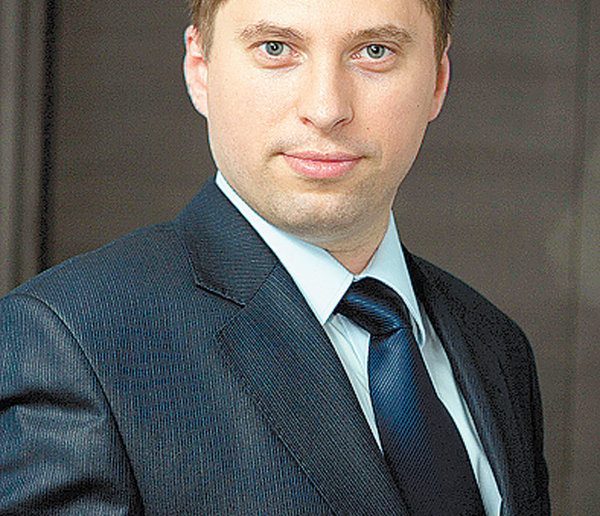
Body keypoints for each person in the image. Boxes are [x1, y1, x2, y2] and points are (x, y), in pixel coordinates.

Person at [0, 0, 550, 514]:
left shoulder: (495, 346)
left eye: (374, 51)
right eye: (276, 48)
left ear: (438, 80)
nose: (326, 109)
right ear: (200, 69)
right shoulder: (69, 343)